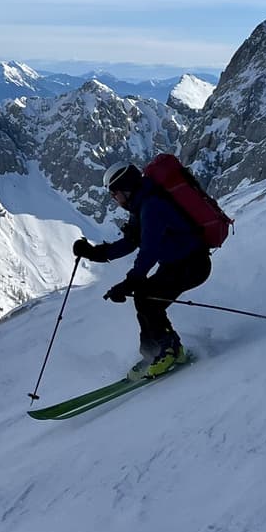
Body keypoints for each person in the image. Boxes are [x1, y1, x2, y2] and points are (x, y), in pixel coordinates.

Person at [73, 161, 212, 376]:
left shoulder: (152, 206)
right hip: (177, 264)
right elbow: (131, 242)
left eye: (114, 194)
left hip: (192, 264)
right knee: (144, 297)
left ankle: (170, 350)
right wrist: (94, 253)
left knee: (147, 297)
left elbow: (149, 249)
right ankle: (153, 353)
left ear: (126, 189)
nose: (114, 200)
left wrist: (130, 281)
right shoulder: (141, 205)